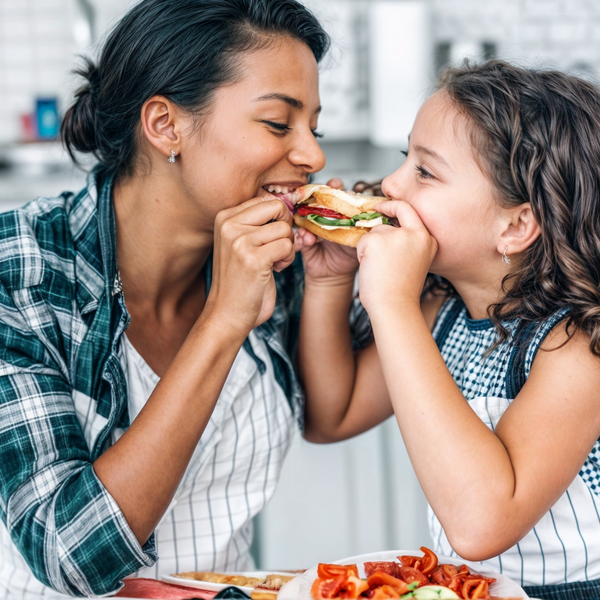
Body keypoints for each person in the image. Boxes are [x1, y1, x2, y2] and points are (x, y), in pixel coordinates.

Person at [0, 0, 373, 596]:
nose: (313, 156)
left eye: (314, 127)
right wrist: (223, 320)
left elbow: (332, 408)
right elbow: (70, 554)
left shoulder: (287, 257)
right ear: (165, 125)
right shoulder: (19, 268)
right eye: (279, 124)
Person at [297, 60, 600, 600]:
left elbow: (482, 523)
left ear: (514, 226)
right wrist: (329, 284)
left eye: (425, 172)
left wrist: (390, 302)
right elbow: (331, 415)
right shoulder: (444, 312)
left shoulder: (576, 346)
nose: (391, 184)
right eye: (404, 160)